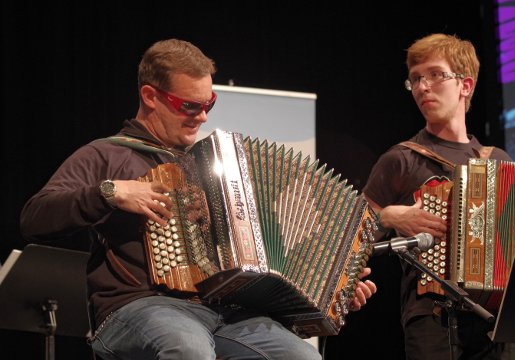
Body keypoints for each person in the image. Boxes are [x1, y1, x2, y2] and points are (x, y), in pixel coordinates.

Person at [20, 38, 376, 360]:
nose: (202, 116)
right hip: (136, 308)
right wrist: (110, 192)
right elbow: (35, 219)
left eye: (209, 104)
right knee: (187, 348)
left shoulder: (218, 168)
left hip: (227, 313)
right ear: (150, 96)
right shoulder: (105, 156)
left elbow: (271, 254)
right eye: (189, 105)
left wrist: (336, 289)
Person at [362, 33, 515, 360]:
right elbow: (350, 234)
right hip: (434, 317)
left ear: (465, 86)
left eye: (435, 75)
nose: (423, 86)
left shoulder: (499, 160)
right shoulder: (401, 159)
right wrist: (391, 216)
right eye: (415, 79)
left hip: (498, 320)